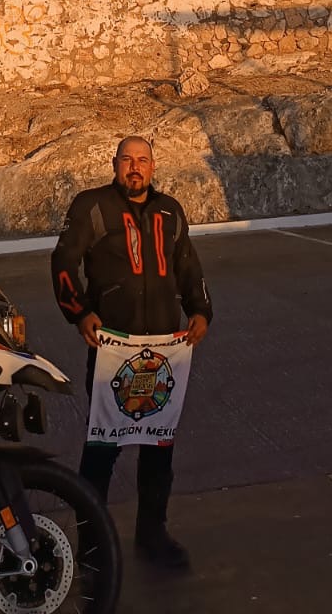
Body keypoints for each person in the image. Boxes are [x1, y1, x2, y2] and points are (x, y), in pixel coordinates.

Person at [50, 135, 212, 572]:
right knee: (102, 447)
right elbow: (63, 261)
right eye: (127, 160)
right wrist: (79, 313)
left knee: (160, 447)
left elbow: (188, 266)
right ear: (115, 163)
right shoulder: (92, 206)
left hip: (163, 350)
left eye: (142, 160)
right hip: (113, 349)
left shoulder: (170, 211)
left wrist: (200, 311)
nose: (134, 167)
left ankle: (152, 533)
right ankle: (91, 542)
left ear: (153, 166)